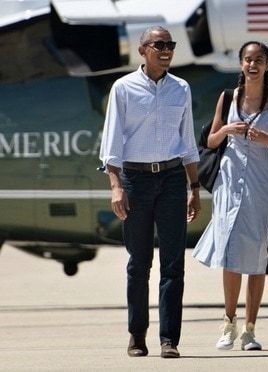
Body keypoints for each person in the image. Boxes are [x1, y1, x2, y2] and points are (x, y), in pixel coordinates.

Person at [99, 26, 201, 359]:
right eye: (159, 44)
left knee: (174, 263)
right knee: (138, 262)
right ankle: (137, 335)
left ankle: (169, 339)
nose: (166, 49)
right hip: (136, 180)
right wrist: (116, 186)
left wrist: (194, 187)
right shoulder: (123, 88)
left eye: (169, 44)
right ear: (143, 50)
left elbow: (187, 142)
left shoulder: (180, 88)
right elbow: (112, 141)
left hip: (172, 178)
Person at [192, 41, 268, 351]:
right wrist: (226, 130)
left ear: (267, 66)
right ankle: (228, 322)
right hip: (229, 181)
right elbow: (210, 141)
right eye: (248, 60)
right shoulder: (228, 97)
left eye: (259, 60)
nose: (253, 65)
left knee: (257, 255)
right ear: (241, 64)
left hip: (261, 186)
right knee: (230, 252)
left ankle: (250, 329)